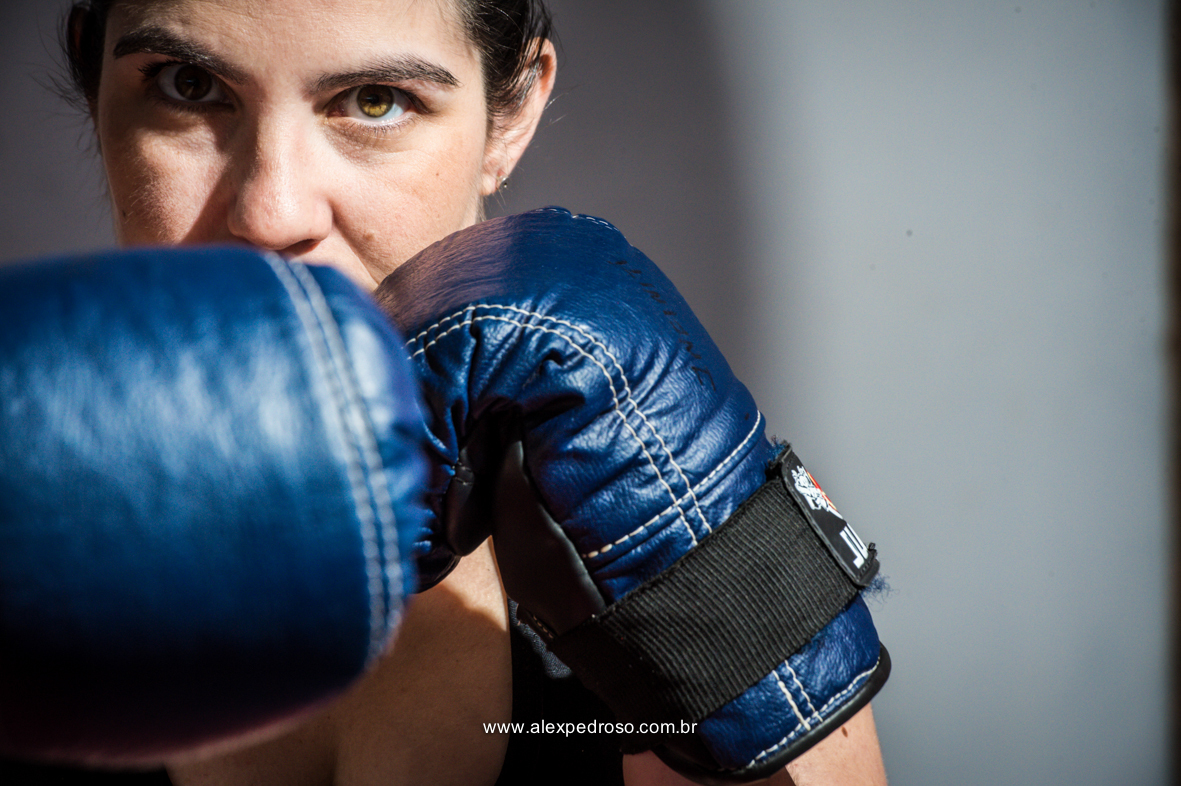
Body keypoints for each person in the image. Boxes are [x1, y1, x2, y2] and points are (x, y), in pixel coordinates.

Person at [3, 0, 888, 783]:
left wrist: (728, 613)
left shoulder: (620, 487)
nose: (271, 214)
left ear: (513, 115)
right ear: (96, 80)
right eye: (188, 85)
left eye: (374, 102)